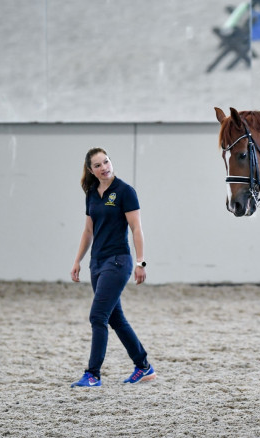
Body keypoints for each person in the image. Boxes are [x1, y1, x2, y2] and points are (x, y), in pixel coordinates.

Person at [70, 147, 156, 387]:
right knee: (115, 318)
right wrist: (77, 260)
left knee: (98, 316)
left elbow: (136, 229)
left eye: (106, 161)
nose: (104, 167)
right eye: (98, 165)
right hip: (96, 263)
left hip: (118, 261)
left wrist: (141, 262)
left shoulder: (125, 191)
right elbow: (88, 231)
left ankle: (92, 374)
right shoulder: (91, 193)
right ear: (91, 170)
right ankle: (144, 367)